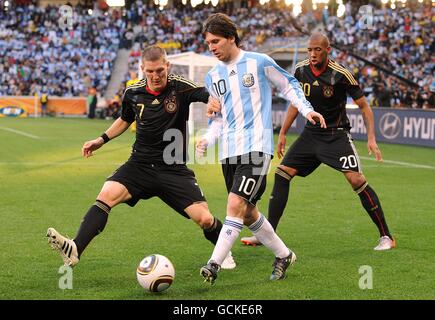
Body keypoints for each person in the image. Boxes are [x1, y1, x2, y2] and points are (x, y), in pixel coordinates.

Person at [46, 45, 235, 270]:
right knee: (106, 195)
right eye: (150, 72)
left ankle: (224, 251)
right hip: (140, 165)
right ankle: (75, 248)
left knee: (204, 219)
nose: (156, 76)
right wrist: (101, 139)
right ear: (142, 69)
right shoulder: (133, 92)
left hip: (173, 169)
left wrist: (212, 101)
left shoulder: (180, 87)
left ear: (168, 66)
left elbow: (204, 93)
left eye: (160, 71)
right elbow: (125, 119)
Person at [198, 13, 326, 284]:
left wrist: (307, 110)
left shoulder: (259, 63)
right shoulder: (212, 77)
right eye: (208, 42)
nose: (211, 47)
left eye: (216, 41)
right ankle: (284, 255)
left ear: (231, 37)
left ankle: (214, 264)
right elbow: (218, 118)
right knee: (246, 213)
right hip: (229, 152)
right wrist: (208, 139)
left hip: (257, 147)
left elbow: (289, 86)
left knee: (234, 204)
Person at [240, 33, 396, 251]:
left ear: (327, 50)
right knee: (282, 173)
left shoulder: (341, 75)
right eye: (310, 50)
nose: (313, 54)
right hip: (311, 135)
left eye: (317, 50)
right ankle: (268, 235)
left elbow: (365, 107)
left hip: (336, 135)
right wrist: (283, 132)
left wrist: (371, 137)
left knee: (356, 180)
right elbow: (296, 103)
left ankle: (386, 236)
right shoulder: (300, 70)